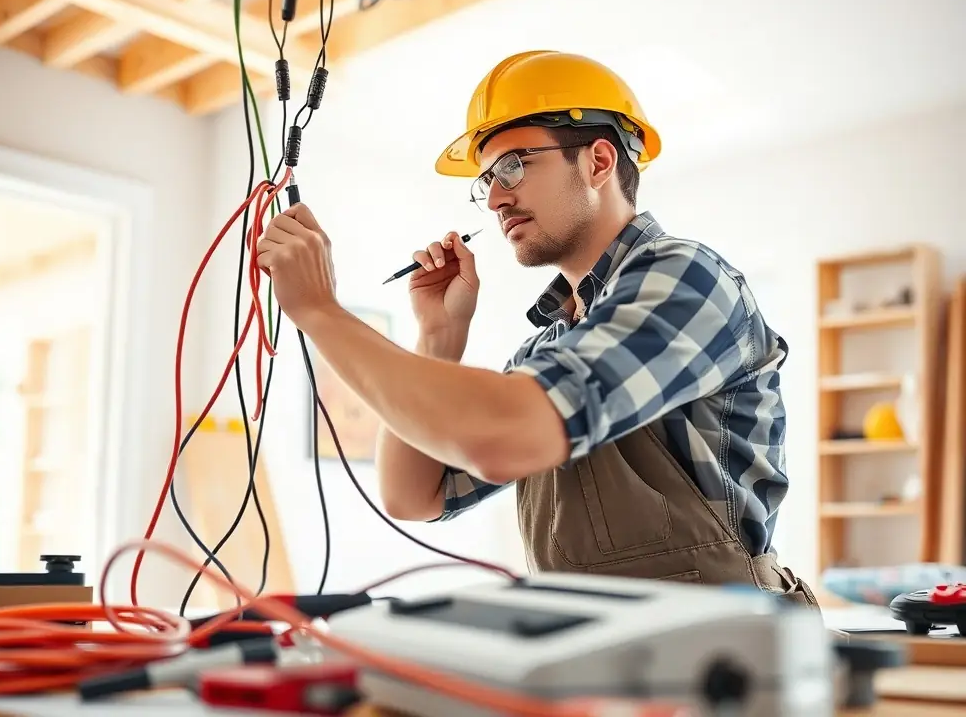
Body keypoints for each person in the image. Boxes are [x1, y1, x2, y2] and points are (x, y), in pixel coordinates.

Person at [256, 50, 818, 607]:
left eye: (513, 166)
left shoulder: (686, 278)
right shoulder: (550, 345)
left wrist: (321, 312)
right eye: (488, 180)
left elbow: (500, 436)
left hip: (719, 660)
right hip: (592, 655)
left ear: (598, 162)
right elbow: (412, 496)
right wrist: (438, 339)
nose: (496, 198)